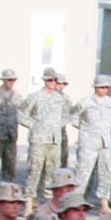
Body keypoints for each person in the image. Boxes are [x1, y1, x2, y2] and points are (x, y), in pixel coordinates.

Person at [18, 67, 68, 211]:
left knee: (52, 173)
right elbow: (21, 113)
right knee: (34, 170)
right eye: (50, 80)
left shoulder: (61, 98)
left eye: (54, 80)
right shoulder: (35, 97)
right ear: (45, 80)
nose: (52, 82)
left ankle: (48, 203)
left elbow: (66, 114)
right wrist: (33, 126)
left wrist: (58, 125)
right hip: (39, 140)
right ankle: (28, 202)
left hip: (54, 141)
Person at [70, 74, 111, 213]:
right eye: (102, 87)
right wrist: (84, 129)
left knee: (106, 172)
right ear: (96, 87)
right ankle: (77, 200)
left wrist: (105, 127)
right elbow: (73, 116)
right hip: (89, 142)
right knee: (83, 171)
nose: (105, 89)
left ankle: (104, 203)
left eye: (107, 87)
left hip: (105, 143)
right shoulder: (85, 102)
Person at [0, 69, 22, 183]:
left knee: (10, 168)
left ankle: (8, 194)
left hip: (11, 137)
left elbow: (22, 113)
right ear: (3, 80)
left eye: (13, 80)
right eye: (9, 80)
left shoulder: (17, 96)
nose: (11, 82)